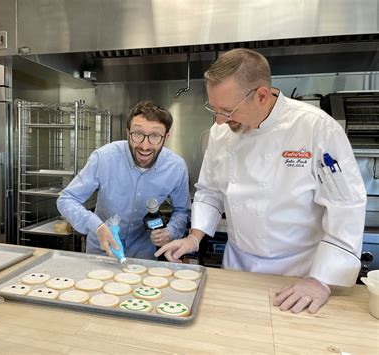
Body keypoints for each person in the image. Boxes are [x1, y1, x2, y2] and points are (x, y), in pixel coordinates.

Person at [156, 48, 366, 314]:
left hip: (299, 275)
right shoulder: (221, 131)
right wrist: (194, 238)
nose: (219, 121)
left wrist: (320, 280)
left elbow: (346, 207)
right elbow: (209, 191)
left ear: (262, 96)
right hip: (237, 267)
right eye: (214, 109)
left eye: (227, 110)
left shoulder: (315, 128)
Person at [57, 100, 191, 260]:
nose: (145, 146)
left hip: (143, 256)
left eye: (155, 136)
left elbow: (182, 211)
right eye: (138, 134)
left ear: (166, 137)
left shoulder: (176, 167)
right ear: (128, 133)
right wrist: (97, 226)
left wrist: (171, 231)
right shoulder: (104, 158)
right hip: (102, 251)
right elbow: (66, 199)